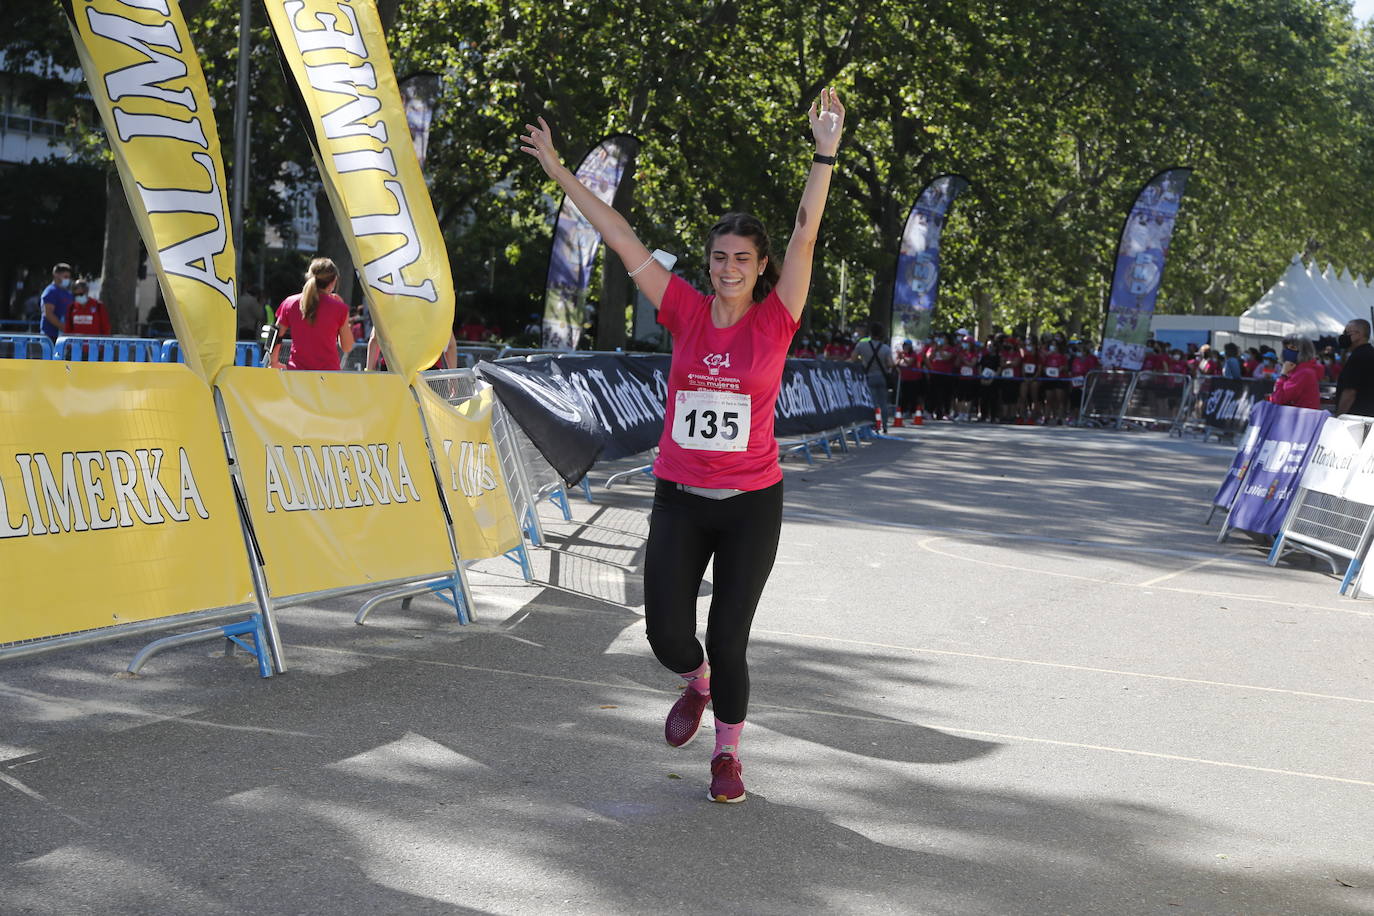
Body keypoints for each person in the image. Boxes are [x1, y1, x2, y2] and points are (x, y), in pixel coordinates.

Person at [521, 88, 846, 803]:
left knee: (731, 638)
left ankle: (728, 755)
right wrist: (559, 173)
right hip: (680, 498)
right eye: (719, 256)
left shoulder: (777, 317)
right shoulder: (683, 310)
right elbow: (620, 235)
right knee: (669, 636)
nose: (728, 266)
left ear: (760, 267)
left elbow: (805, 234)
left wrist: (824, 153)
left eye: (741, 258)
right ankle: (693, 681)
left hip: (751, 503)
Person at [269, 257, 354, 370]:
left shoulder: (290, 303)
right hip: (329, 375)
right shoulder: (339, 308)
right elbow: (347, 347)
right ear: (333, 281)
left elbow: (275, 335)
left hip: (297, 373)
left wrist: (273, 362)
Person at [853, 324, 895, 431]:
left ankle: (872, 424)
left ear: (870, 333)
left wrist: (862, 361)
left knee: (871, 402)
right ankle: (884, 425)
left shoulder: (862, 345)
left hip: (868, 377)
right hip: (881, 378)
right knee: (883, 403)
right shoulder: (885, 348)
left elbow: (853, 358)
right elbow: (890, 364)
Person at [1269, 336, 1322, 410]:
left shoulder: (1303, 373)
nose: (1287, 350)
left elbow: (1278, 399)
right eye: (1286, 347)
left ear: (1304, 351)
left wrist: (1283, 375)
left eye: (1292, 347)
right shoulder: (1301, 370)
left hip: (1300, 418)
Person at [1336, 319, 1374, 416]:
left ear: (1359, 334)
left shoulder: (1358, 357)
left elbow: (1350, 392)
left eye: (1347, 333)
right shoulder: (1370, 352)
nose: (1344, 336)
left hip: (1355, 417)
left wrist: (1339, 417)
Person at [40, 262, 74, 343]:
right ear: (56, 275)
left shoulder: (67, 293)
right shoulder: (50, 291)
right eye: (65, 276)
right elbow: (48, 314)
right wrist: (64, 327)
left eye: (68, 277)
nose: (67, 279)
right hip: (51, 336)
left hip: (64, 336)